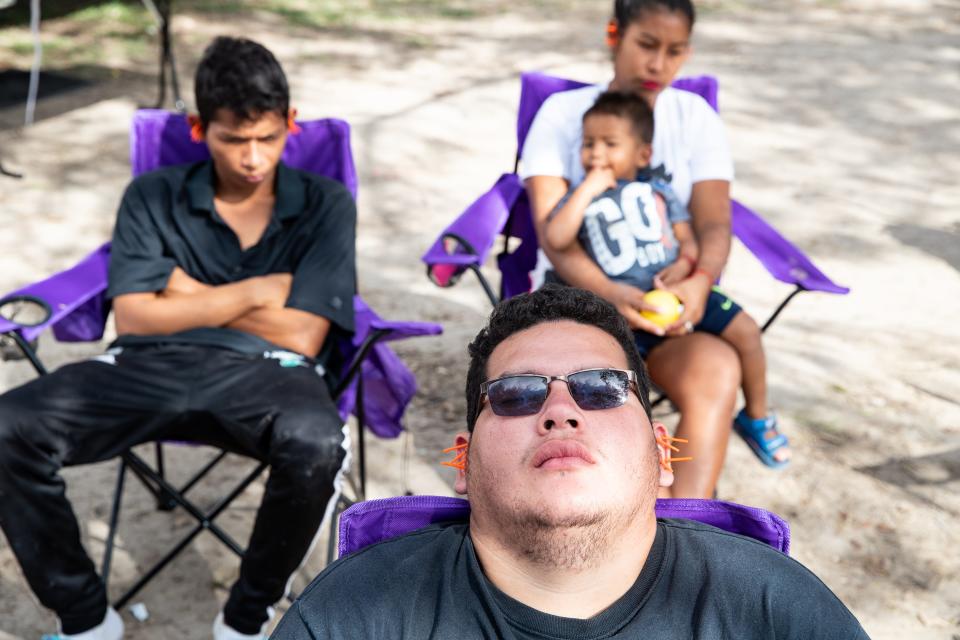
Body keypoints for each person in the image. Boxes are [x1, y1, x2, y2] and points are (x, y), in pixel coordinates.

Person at [0, 36, 356, 640]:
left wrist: (184, 295)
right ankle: (87, 620)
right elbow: (136, 319)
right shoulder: (152, 194)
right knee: (8, 426)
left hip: (273, 370)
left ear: (290, 123)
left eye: (268, 138)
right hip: (146, 363)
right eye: (233, 139)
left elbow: (302, 333)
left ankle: (245, 619)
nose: (253, 158)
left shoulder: (325, 203)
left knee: (317, 443)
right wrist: (257, 291)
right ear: (198, 128)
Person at [271, 285, 867, 639]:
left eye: (602, 387)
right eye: (516, 394)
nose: (560, 410)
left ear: (663, 451)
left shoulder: (769, 608)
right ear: (463, 462)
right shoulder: (356, 615)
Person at [521, 0, 751, 497]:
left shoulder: (694, 117)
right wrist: (613, 294)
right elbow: (553, 238)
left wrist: (699, 279)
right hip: (581, 306)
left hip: (666, 315)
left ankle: (689, 527)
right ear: (613, 35)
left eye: (675, 51)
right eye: (646, 45)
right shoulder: (563, 115)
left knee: (720, 366)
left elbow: (713, 222)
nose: (658, 65)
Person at [544, 90, 789, 468]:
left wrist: (688, 263)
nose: (596, 154)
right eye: (588, 144)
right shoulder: (580, 197)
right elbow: (556, 238)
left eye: (610, 144)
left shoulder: (658, 190)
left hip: (677, 294)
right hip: (620, 308)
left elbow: (687, 237)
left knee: (747, 331)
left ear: (643, 154)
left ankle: (756, 416)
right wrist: (588, 189)